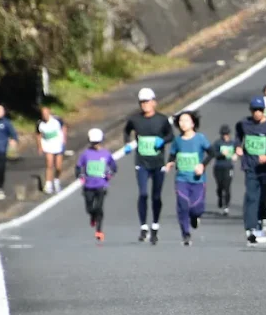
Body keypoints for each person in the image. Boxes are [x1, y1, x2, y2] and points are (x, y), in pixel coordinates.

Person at [122, 87, 174, 245]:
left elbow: (170, 134)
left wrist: (162, 141)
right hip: (141, 162)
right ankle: (143, 226)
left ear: (154, 102)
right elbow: (126, 130)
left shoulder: (162, 119)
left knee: (156, 196)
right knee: (143, 193)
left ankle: (155, 226)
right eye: (142, 102)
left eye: (147, 101)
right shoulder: (135, 120)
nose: (144, 105)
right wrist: (128, 143)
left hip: (158, 163)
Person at [235, 95, 266, 244]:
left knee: (262, 198)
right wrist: (237, 146)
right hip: (250, 166)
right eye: (254, 110)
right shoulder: (244, 124)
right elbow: (238, 135)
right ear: (251, 110)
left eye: (260, 110)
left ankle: (261, 216)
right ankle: (251, 229)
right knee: (251, 196)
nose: (257, 113)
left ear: (264, 111)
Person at [166, 111, 214, 246]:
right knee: (182, 205)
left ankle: (195, 217)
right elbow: (173, 154)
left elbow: (212, 152)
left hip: (198, 180)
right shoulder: (178, 140)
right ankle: (185, 233)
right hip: (181, 179)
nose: (183, 123)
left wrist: (202, 165)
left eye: (186, 120)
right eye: (180, 121)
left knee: (197, 208)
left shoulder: (200, 138)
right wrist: (170, 162)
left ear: (193, 123)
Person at [76, 128, 118, 243]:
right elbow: (78, 166)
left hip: (101, 185)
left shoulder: (106, 154)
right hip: (88, 186)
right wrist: (80, 175)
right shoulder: (86, 154)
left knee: (99, 207)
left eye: (97, 142)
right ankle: (92, 216)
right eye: (93, 143)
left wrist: (109, 174)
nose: (95, 145)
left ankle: (99, 230)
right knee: (90, 208)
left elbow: (114, 167)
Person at [35, 106, 67, 194]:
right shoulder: (39, 123)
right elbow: (38, 135)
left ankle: (56, 180)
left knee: (58, 166)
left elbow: (64, 127)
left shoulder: (57, 120)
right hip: (47, 146)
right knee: (49, 164)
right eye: (43, 114)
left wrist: (64, 138)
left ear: (49, 113)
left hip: (58, 145)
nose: (45, 116)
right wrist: (39, 147)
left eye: (46, 114)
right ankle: (48, 184)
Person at [213, 125, 237, 215]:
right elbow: (213, 153)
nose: (225, 136)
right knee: (220, 186)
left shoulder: (233, 143)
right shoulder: (217, 143)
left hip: (228, 167)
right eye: (223, 134)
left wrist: (236, 155)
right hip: (218, 167)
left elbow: (238, 151)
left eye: (226, 134)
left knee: (227, 187)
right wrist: (221, 154)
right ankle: (220, 197)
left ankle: (226, 206)